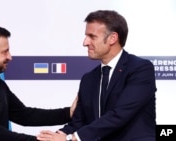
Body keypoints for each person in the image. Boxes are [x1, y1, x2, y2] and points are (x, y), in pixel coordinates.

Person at [37, 10, 157, 141]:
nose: (85, 42)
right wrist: (54, 136)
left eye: (92, 36)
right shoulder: (88, 79)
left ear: (112, 38)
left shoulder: (140, 69)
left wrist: (71, 138)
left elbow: (120, 114)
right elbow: (78, 123)